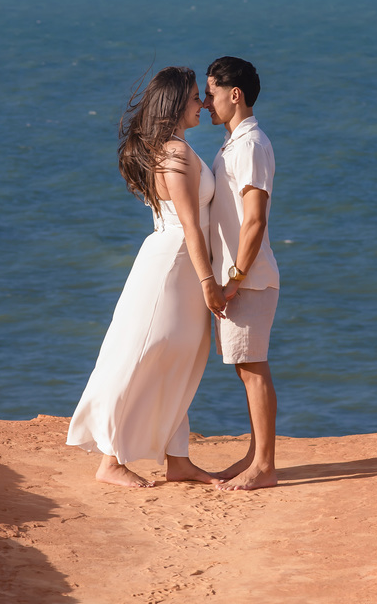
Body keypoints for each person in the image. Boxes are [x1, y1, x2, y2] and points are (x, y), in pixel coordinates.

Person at [66, 66, 228, 488]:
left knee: (181, 356)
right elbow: (190, 225)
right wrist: (210, 282)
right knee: (143, 354)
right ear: (176, 104)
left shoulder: (177, 147)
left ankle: (178, 459)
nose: (203, 104)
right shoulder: (173, 153)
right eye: (196, 97)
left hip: (182, 265)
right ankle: (110, 460)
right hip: (173, 266)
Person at [203, 56, 280, 491]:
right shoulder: (236, 143)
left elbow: (255, 219)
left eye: (211, 92)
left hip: (247, 279)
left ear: (235, 94)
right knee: (245, 367)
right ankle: (256, 456)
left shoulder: (249, 145)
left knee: (253, 368)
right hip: (242, 277)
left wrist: (233, 278)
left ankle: (265, 466)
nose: (206, 102)